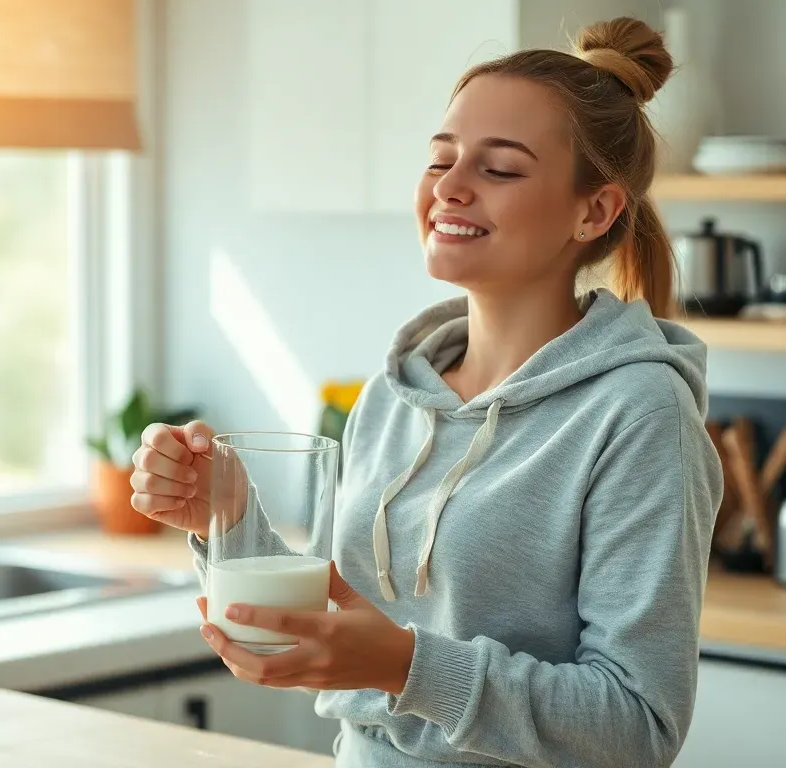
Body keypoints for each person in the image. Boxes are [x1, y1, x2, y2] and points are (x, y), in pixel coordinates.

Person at [129, 16, 721, 768]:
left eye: (499, 169)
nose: (451, 188)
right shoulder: (393, 395)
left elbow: (637, 729)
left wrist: (407, 666)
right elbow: (342, 620)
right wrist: (224, 512)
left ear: (594, 210)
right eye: (441, 159)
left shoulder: (638, 414)